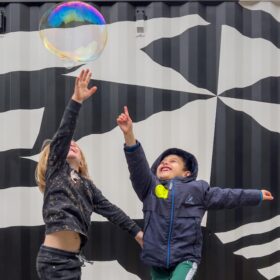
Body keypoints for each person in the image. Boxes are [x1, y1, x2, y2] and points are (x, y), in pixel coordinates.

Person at [117, 106, 274, 280]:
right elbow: (137, 165)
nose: (165, 163)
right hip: (156, 260)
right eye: (162, 162)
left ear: (187, 173)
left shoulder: (197, 189)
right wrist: (129, 135)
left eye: (173, 161)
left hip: (185, 258)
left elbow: (228, 196)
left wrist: (256, 195)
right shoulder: (149, 188)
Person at [35, 69, 143, 280]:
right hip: (54, 260)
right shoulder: (56, 170)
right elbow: (65, 132)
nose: (72, 144)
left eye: (76, 144)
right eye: (68, 144)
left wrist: (139, 235)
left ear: (82, 159)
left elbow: (113, 212)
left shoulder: (88, 187)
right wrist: (76, 100)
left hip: (72, 260)